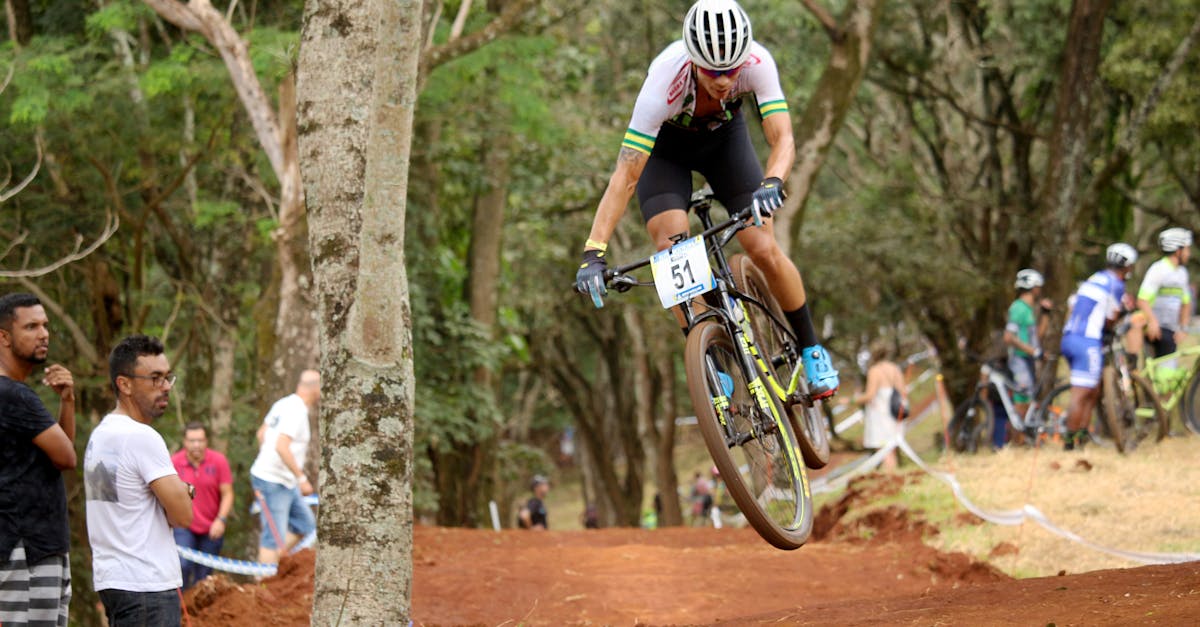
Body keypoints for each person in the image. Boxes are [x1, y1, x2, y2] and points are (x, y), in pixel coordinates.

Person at [573, 0, 838, 399]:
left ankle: (811, 347)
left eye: (731, 69)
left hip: (726, 144)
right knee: (671, 250)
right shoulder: (662, 86)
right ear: (694, 61)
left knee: (761, 245)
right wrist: (594, 250)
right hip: (667, 153)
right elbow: (626, 175)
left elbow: (782, 138)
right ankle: (711, 365)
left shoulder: (757, 63)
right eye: (714, 71)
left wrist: (772, 181)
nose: (724, 79)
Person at [84, 335, 194, 626]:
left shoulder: (102, 435)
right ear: (125, 384)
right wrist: (184, 491)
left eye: (167, 377)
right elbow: (183, 516)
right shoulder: (141, 437)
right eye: (155, 378)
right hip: (148, 586)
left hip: (115, 581)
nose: (166, 386)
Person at [0, 293, 75, 627]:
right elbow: (67, 457)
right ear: (3, 337)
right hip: (26, 548)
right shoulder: (14, 395)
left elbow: (59, 455)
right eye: (31, 326)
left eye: (45, 325)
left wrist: (68, 401)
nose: (43, 333)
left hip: (32, 546)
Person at [1060, 243, 1138, 451]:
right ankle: (1069, 445)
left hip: (1069, 337)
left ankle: (1082, 438)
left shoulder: (1093, 279)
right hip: (1087, 341)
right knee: (1081, 393)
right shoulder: (1115, 284)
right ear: (1126, 266)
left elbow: (1073, 305)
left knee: (1093, 390)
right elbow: (1111, 317)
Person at [250, 369, 320, 564]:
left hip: (285, 481)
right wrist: (302, 478)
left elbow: (261, 434)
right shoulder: (296, 411)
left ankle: (274, 563)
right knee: (273, 538)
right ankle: (263, 583)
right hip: (272, 481)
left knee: (305, 526)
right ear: (315, 389)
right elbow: (281, 446)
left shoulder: (283, 403)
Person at [171, 422, 234, 590]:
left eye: (200, 440)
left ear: (206, 441)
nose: (196, 445)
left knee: (204, 576)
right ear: (185, 442)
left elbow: (227, 493)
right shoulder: (174, 462)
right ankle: (179, 611)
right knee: (182, 566)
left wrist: (221, 520)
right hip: (184, 526)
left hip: (211, 527)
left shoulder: (218, 461)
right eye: (192, 441)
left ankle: (198, 613)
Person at [1127, 227, 1192, 368]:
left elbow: (1186, 304)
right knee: (1136, 321)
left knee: (1166, 378)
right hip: (1153, 327)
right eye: (1187, 249)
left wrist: (1183, 328)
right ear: (1177, 250)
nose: (1189, 253)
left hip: (1170, 331)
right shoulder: (1158, 269)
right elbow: (1142, 300)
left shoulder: (1183, 273)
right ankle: (1131, 368)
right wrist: (1152, 321)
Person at [1002, 269, 1053, 446]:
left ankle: (1024, 441)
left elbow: (1036, 337)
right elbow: (1009, 337)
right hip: (1019, 361)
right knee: (1021, 403)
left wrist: (1046, 315)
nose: (1040, 290)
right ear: (1031, 287)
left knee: (1028, 400)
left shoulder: (1028, 310)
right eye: (1038, 287)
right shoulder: (1018, 308)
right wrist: (1033, 352)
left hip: (1028, 360)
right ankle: (1017, 443)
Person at [845, 339, 906, 470]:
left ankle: (891, 478)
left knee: (884, 449)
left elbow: (869, 395)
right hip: (895, 410)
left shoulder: (875, 371)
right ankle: (893, 474)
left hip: (881, 412)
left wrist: (850, 400)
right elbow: (902, 391)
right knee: (891, 448)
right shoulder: (895, 368)